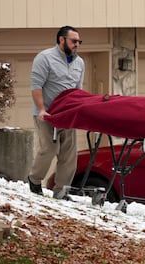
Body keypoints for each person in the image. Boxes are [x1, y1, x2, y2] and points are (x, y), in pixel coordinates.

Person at [27, 25, 85, 200]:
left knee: (69, 154)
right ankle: (34, 179)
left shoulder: (79, 62)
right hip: (47, 114)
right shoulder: (44, 58)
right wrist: (42, 109)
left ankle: (61, 190)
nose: (77, 45)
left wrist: (78, 112)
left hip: (67, 115)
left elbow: (78, 91)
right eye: (74, 41)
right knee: (49, 149)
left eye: (79, 42)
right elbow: (36, 87)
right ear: (61, 40)